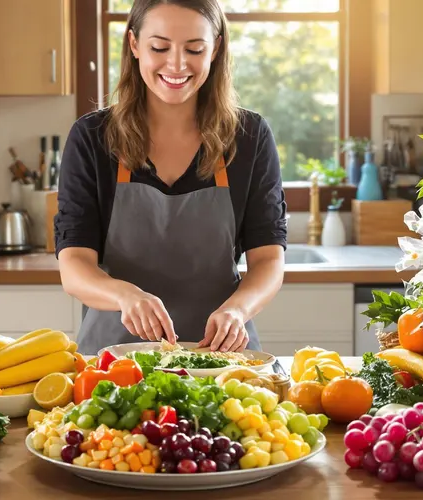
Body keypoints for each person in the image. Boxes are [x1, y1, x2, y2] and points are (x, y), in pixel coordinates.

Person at [54, 0, 287, 355]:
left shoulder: (249, 136)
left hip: (222, 362)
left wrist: (237, 309)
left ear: (217, 48)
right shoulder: (93, 138)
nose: (176, 65)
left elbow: (269, 259)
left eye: (194, 49)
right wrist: (124, 295)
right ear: (134, 45)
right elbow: (74, 265)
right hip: (115, 363)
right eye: (159, 47)